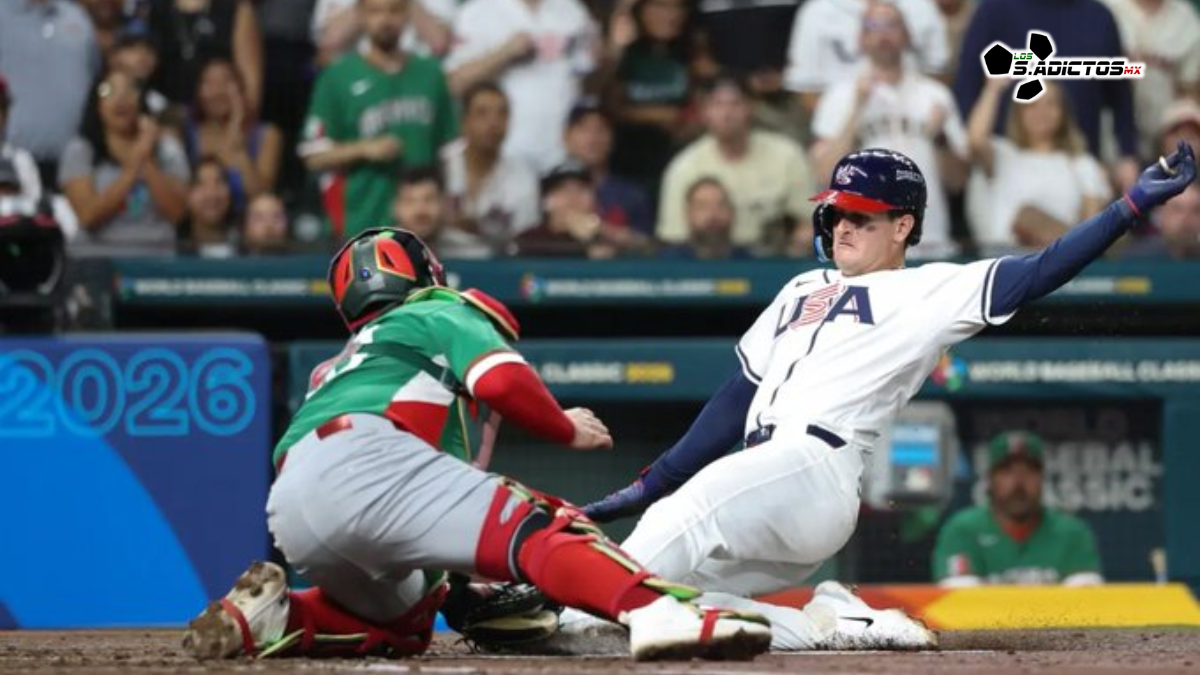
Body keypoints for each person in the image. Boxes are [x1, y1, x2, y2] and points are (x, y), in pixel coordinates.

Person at [575, 142, 1197, 651]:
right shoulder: (798, 287)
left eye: (862, 216)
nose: (843, 225)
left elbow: (1040, 269)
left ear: (903, 226)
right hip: (764, 482)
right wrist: (651, 481)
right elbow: (734, 403)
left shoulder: (929, 292)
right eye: (838, 213)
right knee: (669, 595)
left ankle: (563, 596)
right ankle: (831, 625)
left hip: (815, 466)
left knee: (690, 509)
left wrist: (1129, 206)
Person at [180, 227, 772, 662]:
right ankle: (655, 613)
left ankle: (279, 616)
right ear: (424, 274)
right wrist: (567, 427)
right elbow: (501, 381)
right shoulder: (432, 308)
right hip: (370, 460)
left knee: (407, 623)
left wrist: (458, 588)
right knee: (542, 525)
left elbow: (396, 497)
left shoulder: (336, 366)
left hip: (295, 504)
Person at [300, 0, 458, 240]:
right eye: (376, 11)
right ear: (361, 15)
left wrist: (452, 206)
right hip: (360, 220)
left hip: (423, 229)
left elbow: (451, 151)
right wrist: (364, 148)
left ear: (407, 14)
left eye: (394, 10)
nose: (385, 20)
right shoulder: (338, 77)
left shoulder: (430, 74)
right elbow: (313, 154)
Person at [932, 431, 1104, 587]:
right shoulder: (962, 530)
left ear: (1042, 479)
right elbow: (959, 604)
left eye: (1029, 471)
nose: (1018, 483)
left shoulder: (1072, 533)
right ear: (990, 480)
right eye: (1007, 471)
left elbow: (1085, 607)